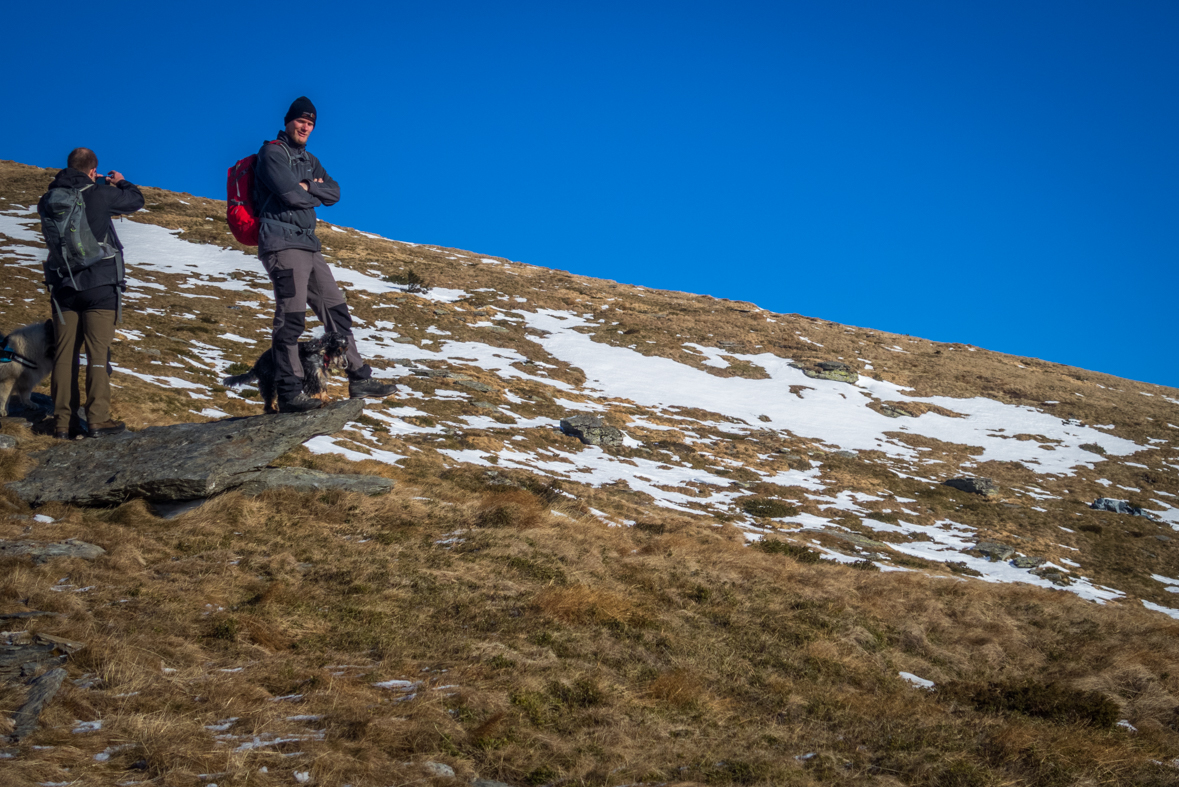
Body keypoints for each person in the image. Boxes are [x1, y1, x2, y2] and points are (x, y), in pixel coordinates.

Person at [253, 96, 396, 412]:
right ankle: (289, 393)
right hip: (282, 244)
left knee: (337, 313)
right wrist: (307, 190)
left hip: (309, 246)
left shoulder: (310, 159)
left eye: (310, 123)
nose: (305, 127)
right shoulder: (271, 154)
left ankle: (359, 378)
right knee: (291, 321)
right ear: (288, 121)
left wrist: (308, 186)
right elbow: (289, 195)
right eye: (300, 121)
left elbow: (335, 192)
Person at [37, 147, 143, 439]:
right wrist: (120, 182)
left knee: (64, 354)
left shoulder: (49, 199)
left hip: (63, 287)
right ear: (93, 171)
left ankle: (62, 422)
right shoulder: (99, 193)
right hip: (100, 284)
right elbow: (136, 201)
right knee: (97, 352)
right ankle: (97, 420)